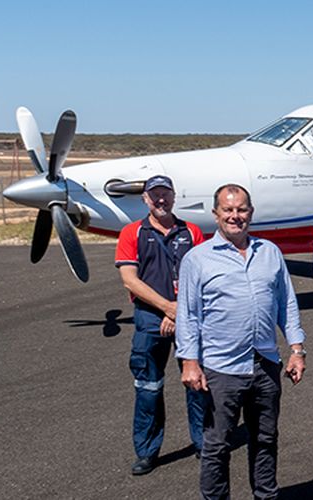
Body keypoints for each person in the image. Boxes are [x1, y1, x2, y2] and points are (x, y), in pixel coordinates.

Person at [177, 184, 308, 500]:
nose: (235, 216)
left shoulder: (269, 252)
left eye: (241, 210)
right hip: (221, 368)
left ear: (250, 212)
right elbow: (188, 315)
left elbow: (286, 303)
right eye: (228, 210)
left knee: (265, 438)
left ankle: (265, 494)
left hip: (264, 364)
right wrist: (190, 362)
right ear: (216, 214)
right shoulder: (198, 259)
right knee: (217, 444)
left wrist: (296, 349)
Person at [115, 174, 209, 476]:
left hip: (189, 316)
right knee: (149, 387)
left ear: (173, 196)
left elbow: (201, 276)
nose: (160, 199)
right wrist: (167, 308)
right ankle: (147, 451)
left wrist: (178, 312)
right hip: (150, 318)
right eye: (154, 194)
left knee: (197, 382)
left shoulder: (191, 231)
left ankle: (204, 442)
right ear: (145, 199)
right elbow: (130, 279)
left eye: (165, 193)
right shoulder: (132, 233)